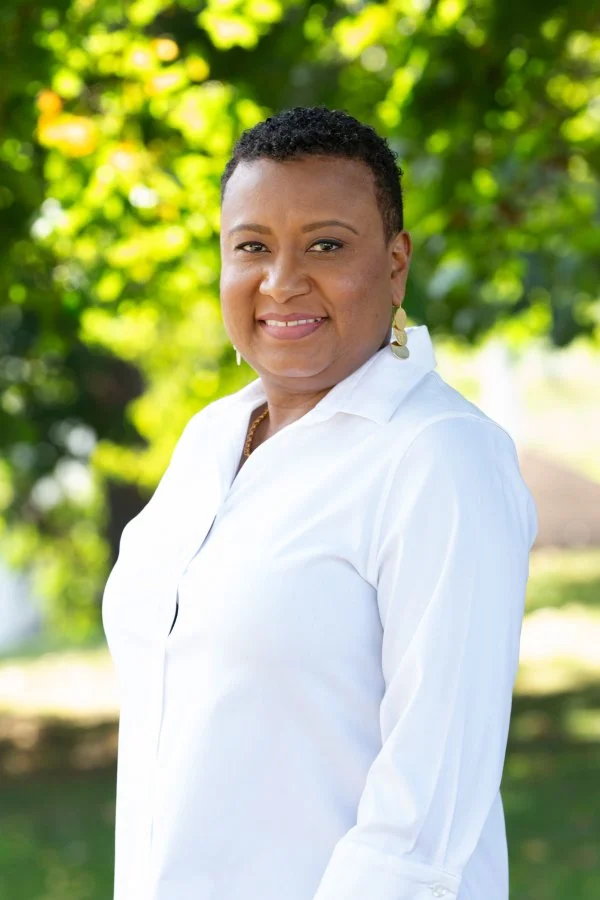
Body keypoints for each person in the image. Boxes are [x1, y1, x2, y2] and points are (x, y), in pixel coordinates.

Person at [102, 106, 538, 900]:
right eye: (252, 247)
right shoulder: (210, 438)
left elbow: (423, 820)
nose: (281, 281)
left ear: (396, 263)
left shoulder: (438, 456)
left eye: (326, 245)